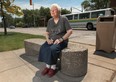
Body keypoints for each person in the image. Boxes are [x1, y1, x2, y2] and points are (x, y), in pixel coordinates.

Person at [38, 3, 72, 77]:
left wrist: (61, 39)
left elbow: (70, 31)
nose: (52, 11)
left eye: (54, 10)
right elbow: (46, 33)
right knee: (43, 47)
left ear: (59, 11)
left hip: (62, 41)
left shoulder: (64, 19)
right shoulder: (50, 21)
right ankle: (47, 66)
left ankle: (53, 67)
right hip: (52, 40)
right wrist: (47, 40)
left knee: (52, 49)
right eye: (51, 10)